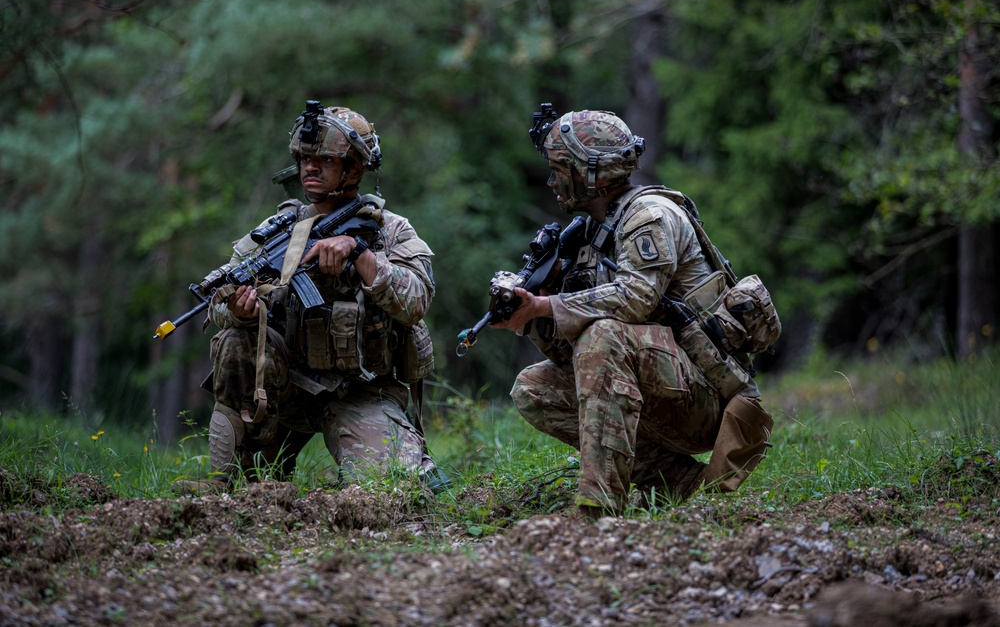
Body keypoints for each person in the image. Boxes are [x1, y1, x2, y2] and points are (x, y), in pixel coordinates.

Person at [490, 106, 775, 518]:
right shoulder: (591, 234)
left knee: (603, 335)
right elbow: (577, 362)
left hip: (708, 399)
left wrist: (547, 305)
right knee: (533, 388)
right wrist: (532, 315)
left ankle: (598, 510)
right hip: (661, 392)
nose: (552, 181)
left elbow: (636, 298)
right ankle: (677, 482)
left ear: (589, 172)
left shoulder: (649, 216)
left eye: (558, 169)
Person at [175, 101, 449, 494]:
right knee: (235, 341)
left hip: (360, 391)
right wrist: (240, 312)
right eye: (304, 158)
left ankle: (400, 460)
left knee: (385, 490)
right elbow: (222, 301)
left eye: (324, 159)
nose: (309, 167)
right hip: (286, 389)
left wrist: (360, 254)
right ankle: (226, 480)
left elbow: (417, 300)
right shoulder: (279, 230)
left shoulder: (390, 231)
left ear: (354, 169)